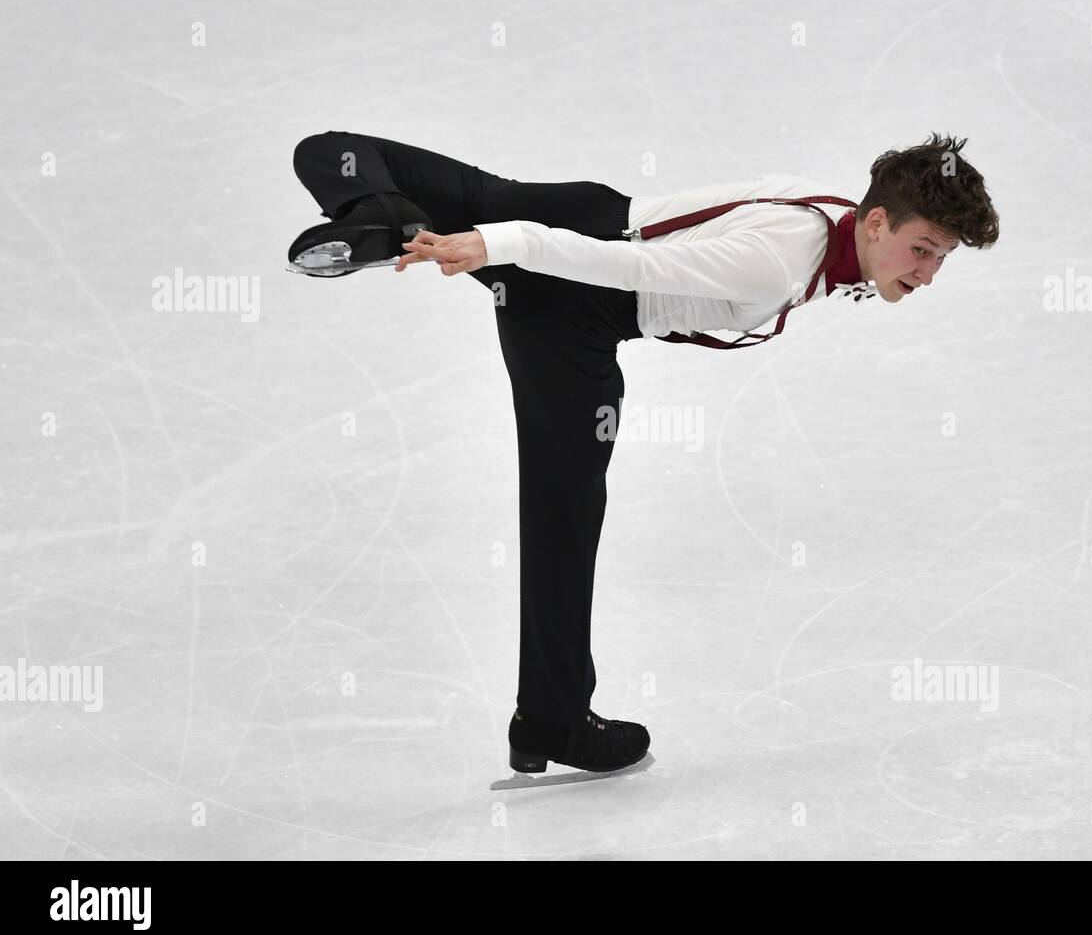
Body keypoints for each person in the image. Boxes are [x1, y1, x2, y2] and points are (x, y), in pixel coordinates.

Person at [288, 130, 999, 776]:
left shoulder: (835, 222)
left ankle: (387, 222)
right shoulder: (776, 262)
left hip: (575, 211)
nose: (930, 273)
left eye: (941, 258)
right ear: (877, 223)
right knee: (563, 519)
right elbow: (622, 266)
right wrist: (497, 247)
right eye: (923, 251)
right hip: (574, 302)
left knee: (330, 151)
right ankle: (554, 722)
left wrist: (485, 233)